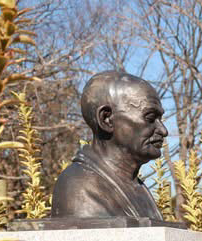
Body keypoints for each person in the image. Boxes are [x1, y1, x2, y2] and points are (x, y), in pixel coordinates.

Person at [52, 71, 168, 219]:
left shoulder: (137, 188)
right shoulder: (79, 187)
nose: (163, 130)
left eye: (160, 119)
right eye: (150, 118)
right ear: (106, 119)